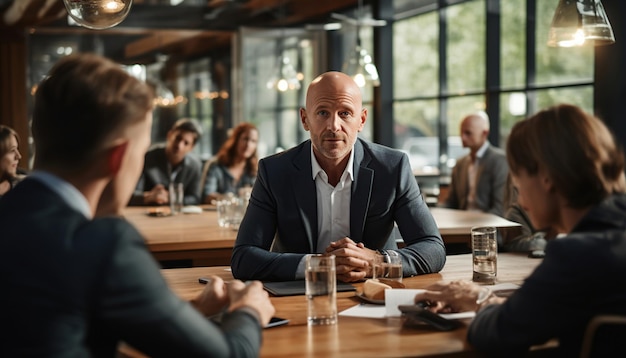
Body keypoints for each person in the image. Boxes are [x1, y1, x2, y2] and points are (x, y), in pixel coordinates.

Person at [0, 53, 274, 357]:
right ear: (118, 157)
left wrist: (190, 311)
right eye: (141, 152)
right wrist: (248, 310)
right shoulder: (101, 244)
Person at [413, 104, 626, 357]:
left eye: (518, 177)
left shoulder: (577, 257)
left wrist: (480, 298)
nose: (517, 196)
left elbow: (495, 335)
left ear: (546, 177)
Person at [231, 71, 446, 283]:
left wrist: (378, 261)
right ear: (305, 119)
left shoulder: (392, 168)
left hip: (373, 296)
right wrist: (320, 265)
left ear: (361, 120)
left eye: (345, 113)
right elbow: (244, 258)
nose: (334, 126)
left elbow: (433, 249)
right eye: (323, 113)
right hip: (300, 296)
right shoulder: (274, 171)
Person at [443, 111, 508, 216]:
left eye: (468, 133)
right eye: (461, 133)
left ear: (484, 134)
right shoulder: (460, 164)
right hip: (461, 224)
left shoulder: (500, 161)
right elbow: (451, 202)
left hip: (488, 227)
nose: (462, 138)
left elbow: (500, 208)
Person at [129, 118, 203, 206]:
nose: (179, 145)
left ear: (191, 147)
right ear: (169, 135)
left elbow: (195, 198)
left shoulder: (195, 165)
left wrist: (171, 198)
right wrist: (148, 197)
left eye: (186, 143)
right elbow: (131, 194)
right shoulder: (147, 158)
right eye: (177, 138)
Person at [201, 122, 259, 204]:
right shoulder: (216, 165)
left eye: (253, 141)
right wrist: (232, 198)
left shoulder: (255, 168)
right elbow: (207, 195)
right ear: (235, 140)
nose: (248, 145)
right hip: (218, 215)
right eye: (245, 139)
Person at [0, 125, 24, 198]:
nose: (19, 156)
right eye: (12, 150)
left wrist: (10, 184)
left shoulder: (23, 180)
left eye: (17, 149)